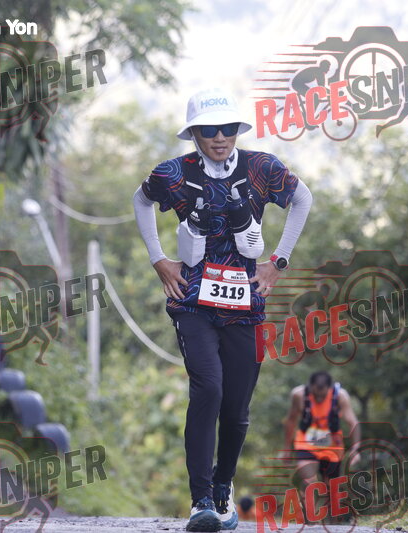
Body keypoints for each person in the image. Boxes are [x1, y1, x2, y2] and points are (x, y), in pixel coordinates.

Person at [133, 88, 313, 532]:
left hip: (246, 304)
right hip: (192, 300)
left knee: (236, 408)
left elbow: (303, 199)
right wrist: (158, 258)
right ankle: (200, 501)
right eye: (210, 129)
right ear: (194, 132)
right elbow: (141, 200)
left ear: (237, 130)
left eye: (228, 128)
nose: (219, 137)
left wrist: (278, 263)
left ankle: (222, 486)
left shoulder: (261, 167)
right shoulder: (174, 173)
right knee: (208, 389)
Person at [283, 371, 361, 524]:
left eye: (322, 395)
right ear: (310, 386)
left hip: (332, 445)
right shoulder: (299, 395)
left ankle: (333, 525)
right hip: (306, 443)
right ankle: (309, 522)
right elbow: (291, 420)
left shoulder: (340, 396)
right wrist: (286, 448)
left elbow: (353, 422)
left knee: (332, 487)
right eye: (316, 394)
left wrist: (356, 449)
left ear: (329, 388)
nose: (319, 398)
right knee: (308, 481)